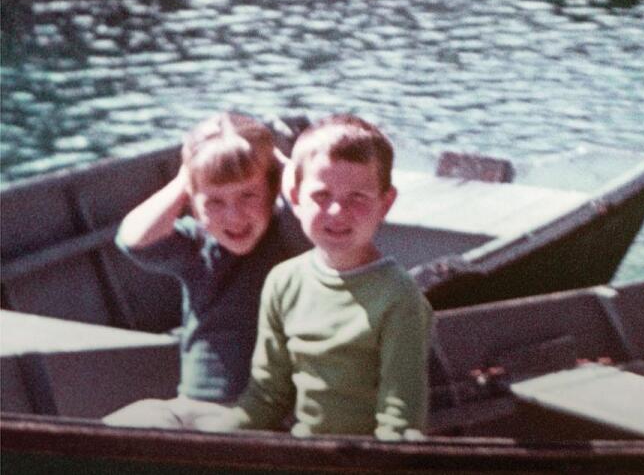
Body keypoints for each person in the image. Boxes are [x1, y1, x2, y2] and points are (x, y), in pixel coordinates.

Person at [208, 114, 432, 440]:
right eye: (321, 196)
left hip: (367, 455)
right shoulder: (283, 281)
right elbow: (267, 398)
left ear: (385, 204)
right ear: (296, 198)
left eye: (357, 197)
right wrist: (212, 440)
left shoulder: (399, 296)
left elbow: (399, 421)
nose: (337, 212)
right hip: (305, 448)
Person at [104, 112, 308, 429]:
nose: (234, 216)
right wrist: (187, 178)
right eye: (214, 201)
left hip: (275, 408)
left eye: (248, 195)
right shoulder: (196, 245)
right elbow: (133, 239)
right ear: (193, 202)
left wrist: (278, 162)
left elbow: (310, 200)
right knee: (131, 423)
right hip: (200, 404)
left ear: (271, 190)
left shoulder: (292, 236)